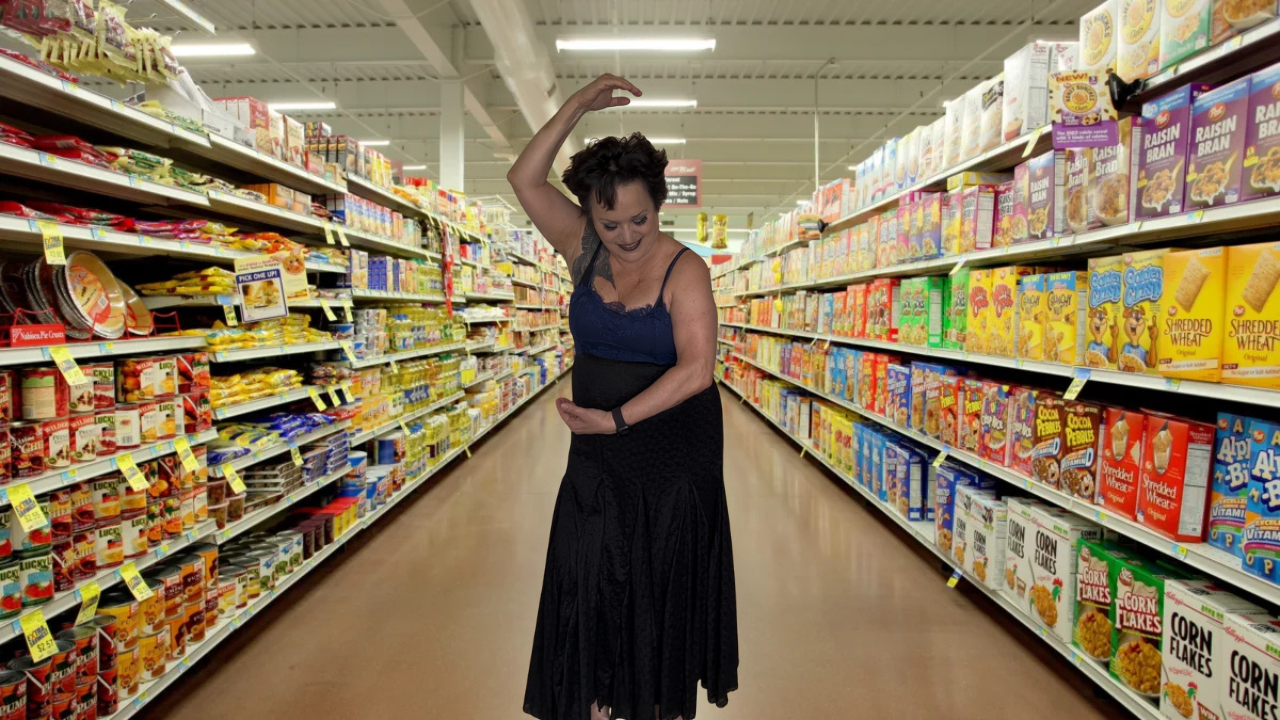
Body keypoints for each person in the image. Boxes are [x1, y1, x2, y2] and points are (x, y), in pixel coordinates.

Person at [509, 73, 739, 720]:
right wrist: (576, 106)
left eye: (641, 219)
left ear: (659, 206)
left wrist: (615, 419)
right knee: (590, 578)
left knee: (656, 589)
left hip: (671, 459)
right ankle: (598, 699)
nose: (629, 234)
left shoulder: (686, 269)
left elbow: (697, 370)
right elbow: (524, 179)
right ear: (589, 217)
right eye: (611, 223)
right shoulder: (581, 249)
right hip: (598, 458)